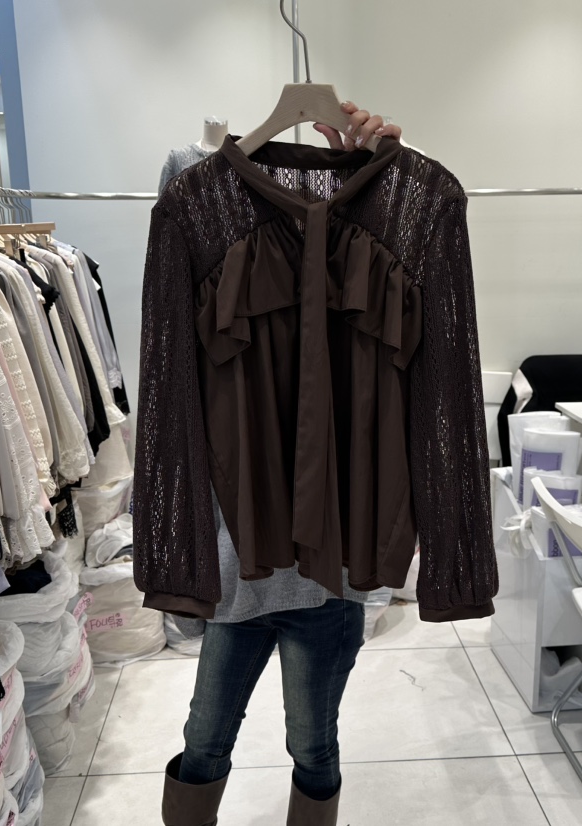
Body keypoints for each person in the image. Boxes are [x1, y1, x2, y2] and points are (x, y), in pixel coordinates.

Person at [159, 103, 404, 826]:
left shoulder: (381, 223)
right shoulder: (200, 194)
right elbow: (172, 376)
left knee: (312, 746)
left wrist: (379, 162)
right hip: (238, 573)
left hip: (328, 587)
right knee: (204, 741)